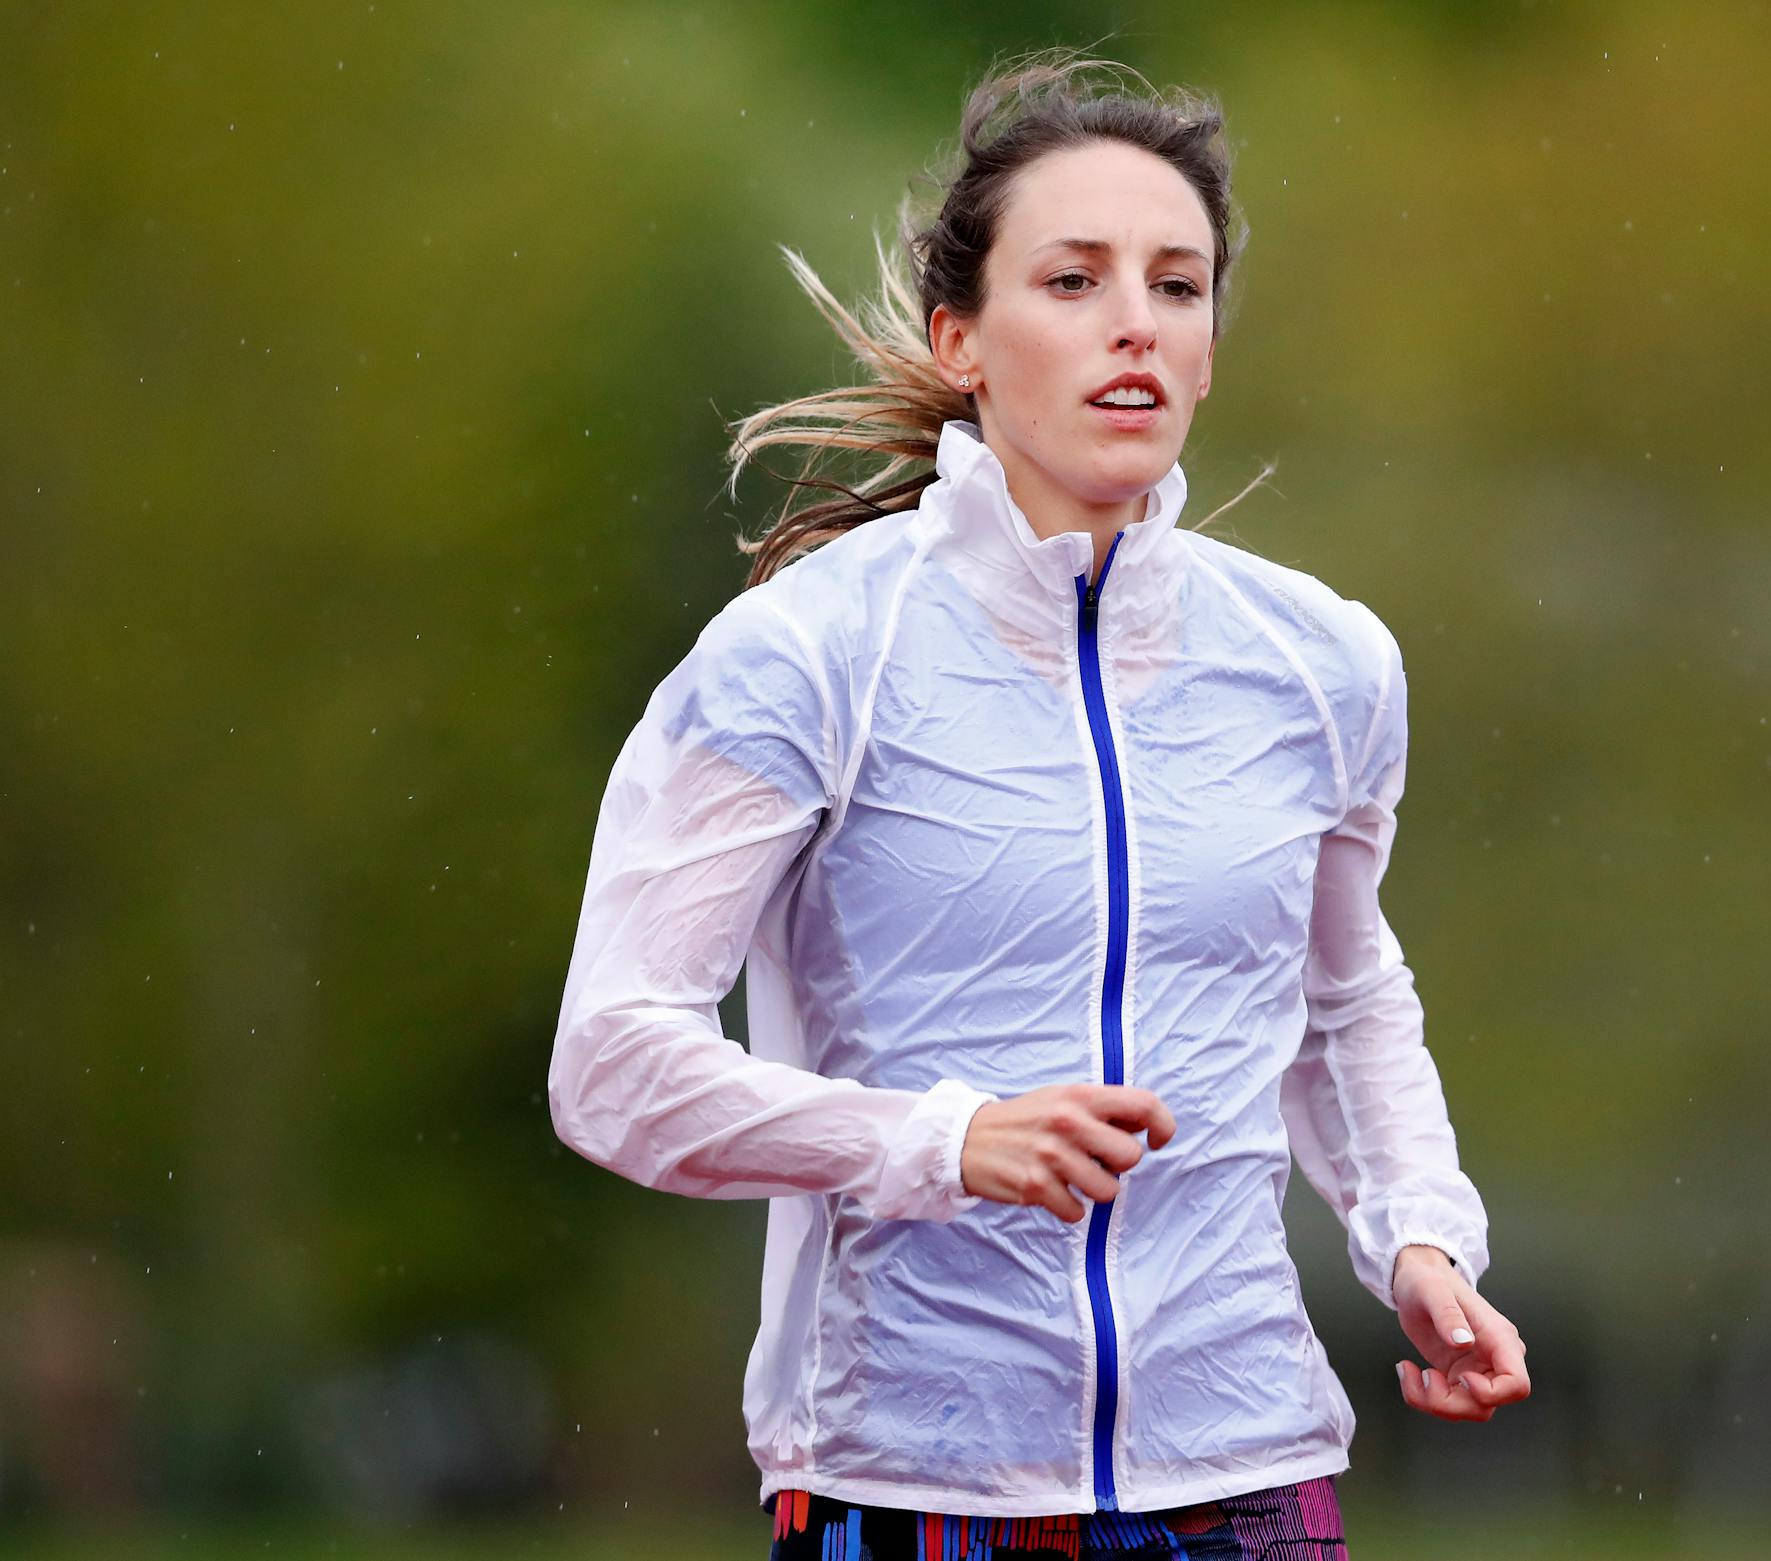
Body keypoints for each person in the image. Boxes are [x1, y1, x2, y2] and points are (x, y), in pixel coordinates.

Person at [548, 46, 1530, 1561]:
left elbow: (1341, 1002)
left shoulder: (1323, 663)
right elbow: (612, 1062)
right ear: (962, 338)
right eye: (1072, 281)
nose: (1136, 321)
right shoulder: (804, 656)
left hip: (1246, 1478)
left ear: (1208, 350)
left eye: (1178, 286)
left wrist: (1418, 1234)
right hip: (913, 1488)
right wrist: (937, 1143)